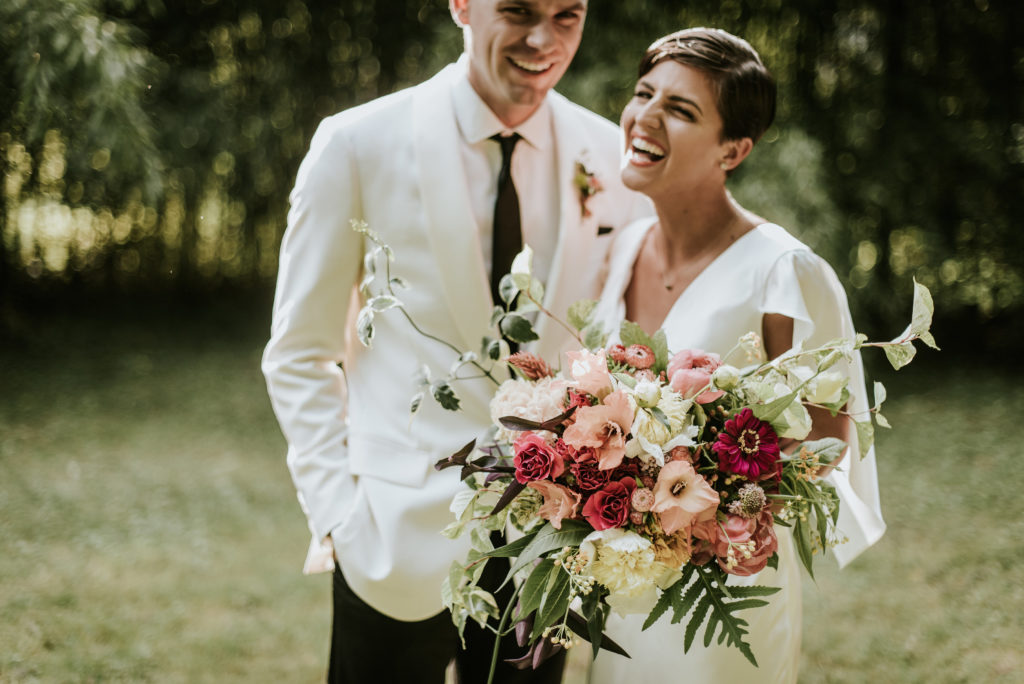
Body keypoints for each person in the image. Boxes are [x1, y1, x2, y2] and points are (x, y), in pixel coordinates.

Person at [261, 1, 650, 682]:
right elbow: (299, 351)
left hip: (546, 543)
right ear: (461, 5)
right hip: (391, 536)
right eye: (519, 10)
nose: (543, 38)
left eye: (568, 15)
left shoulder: (611, 160)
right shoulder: (358, 143)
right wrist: (339, 516)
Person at [588, 28, 885, 683]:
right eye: (644, 94)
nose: (645, 116)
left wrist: (714, 507)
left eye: (681, 109)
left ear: (734, 149)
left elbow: (830, 447)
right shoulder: (622, 249)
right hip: (622, 583)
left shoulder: (784, 271)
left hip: (724, 596)